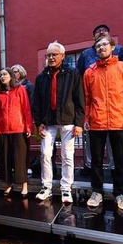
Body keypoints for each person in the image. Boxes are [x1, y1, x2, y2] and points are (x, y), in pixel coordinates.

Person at [84, 35, 123, 211]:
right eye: (98, 46)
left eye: (104, 44)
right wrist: (86, 118)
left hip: (119, 119)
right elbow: (86, 98)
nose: (101, 48)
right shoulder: (89, 72)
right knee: (97, 160)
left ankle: (120, 193)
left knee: (119, 159)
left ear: (113, 47)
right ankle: (97, 191)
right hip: (97, 120)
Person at [32, 41, 85, 203]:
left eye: (54, 54)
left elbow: (79, 99)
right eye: (48, 55)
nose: (51, 57)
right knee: (45, 154)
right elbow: (37, 101)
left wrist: (79, 123)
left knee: (67, 156)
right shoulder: (41, 77)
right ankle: (46, 186)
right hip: (47, 122)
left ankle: (66, 188)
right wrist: (38, 122)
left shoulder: (73, 73)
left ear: (63, 56)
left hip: (68, 120)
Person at [76, 25, 123, 176]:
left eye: (104, 32)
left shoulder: (121, 54)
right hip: (95, 108)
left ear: (111, 43)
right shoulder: (86, 54)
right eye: (97, 33)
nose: (100, 34)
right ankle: (89, 167)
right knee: (93, 145)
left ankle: (114, 168)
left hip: (116, 108)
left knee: (115, 146)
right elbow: (80, 78)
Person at [0, 68, 33, 196]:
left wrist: (28, 127)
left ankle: (24, 184)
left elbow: (26, 109)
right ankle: (8, 184)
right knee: (5, 158)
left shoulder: (20, 89)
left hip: (18, 129)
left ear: (11, 76)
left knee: (19, 158)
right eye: (0, 75)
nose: (2, 77)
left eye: (4, 74)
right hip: (4, 130)